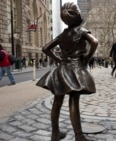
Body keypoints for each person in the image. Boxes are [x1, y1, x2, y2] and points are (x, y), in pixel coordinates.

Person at [36, 2, 98, 141]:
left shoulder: (62, 35)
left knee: (57, 101)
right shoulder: (81, 31)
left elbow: (45, 48)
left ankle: (55, 134)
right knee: (73, 100)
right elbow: (94, 42)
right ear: (77, 16)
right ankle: (79, 135)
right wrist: (87, 58)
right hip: (75, 70)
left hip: (62, 70)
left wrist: (58, 60)